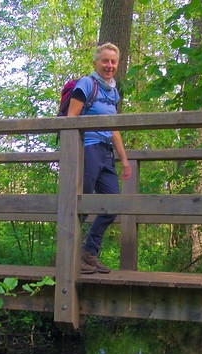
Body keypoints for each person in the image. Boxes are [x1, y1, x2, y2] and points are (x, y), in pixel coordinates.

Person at [64, 42, 130, 274]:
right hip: (87, 149)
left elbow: (114, 129)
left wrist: (124, 159)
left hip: (105, 152)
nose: (109, 65)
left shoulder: (113, 92)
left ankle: (88, 253)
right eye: (105, 61)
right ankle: (69, 258)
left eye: (113, 61)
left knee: (112, 204)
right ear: (96, 63)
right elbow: (71, 119)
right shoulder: (86, 84)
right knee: (79, 205)